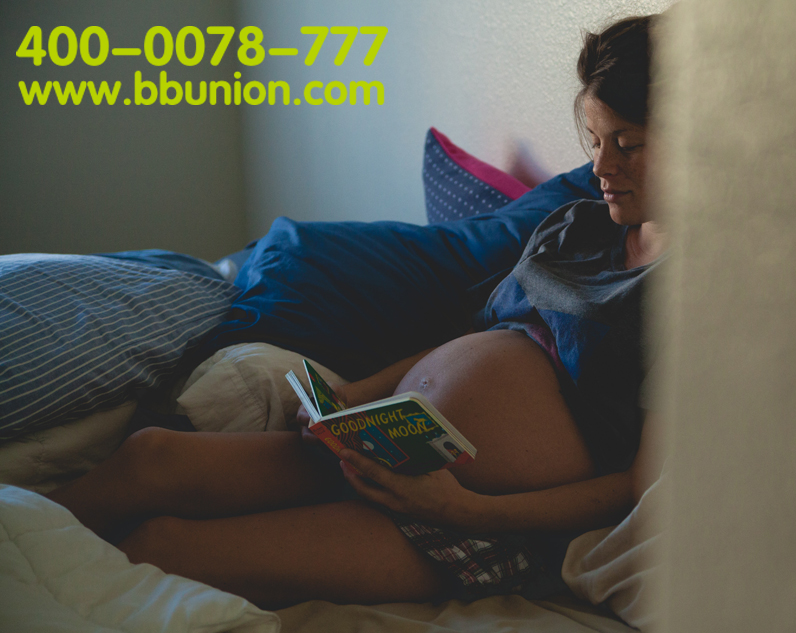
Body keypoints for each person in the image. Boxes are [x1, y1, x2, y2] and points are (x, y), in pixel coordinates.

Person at [47, 15, 666, 609]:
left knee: (165, 549)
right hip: (384, 447)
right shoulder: (576, 226)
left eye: (627, 145)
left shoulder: (692, 301)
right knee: (150, 457)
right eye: (594, 142)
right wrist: (354, 397)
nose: (600, 168)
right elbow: (487, 335)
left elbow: (637, 484)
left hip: (479, 522)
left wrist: (465, 509)